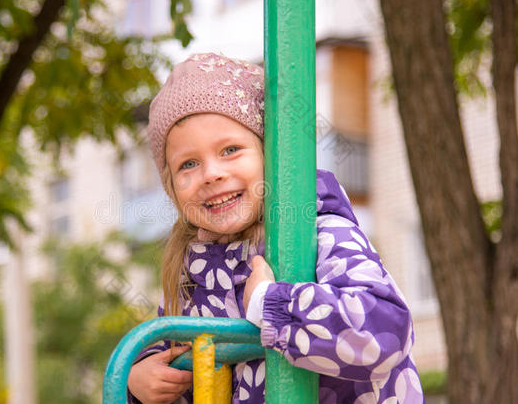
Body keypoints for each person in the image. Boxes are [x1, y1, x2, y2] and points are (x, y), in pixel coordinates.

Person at [127, 53, 424, 404]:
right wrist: (140, 380)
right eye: (188, 164)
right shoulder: (189, 277)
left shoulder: (319, 234)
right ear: (172, 187)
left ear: (270, 155)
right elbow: (179, 370)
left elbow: (386, 330)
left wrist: (274, 308)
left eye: (231, 149)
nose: (211, 174)